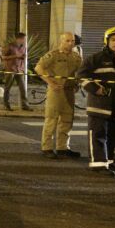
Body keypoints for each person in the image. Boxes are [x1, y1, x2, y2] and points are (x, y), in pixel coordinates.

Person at [77, 26, 115, 176]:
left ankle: (107, 162)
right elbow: (81, 76)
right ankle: (97, 164)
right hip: (99, 105)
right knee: (98, 134)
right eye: (113, 40)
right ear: (107, 41)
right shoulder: (96, 58)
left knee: (112, 136)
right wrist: (96, 89)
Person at [36, 31, 83, 159]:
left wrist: (77, 84)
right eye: (67, 40)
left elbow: (80, 72)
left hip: (69, 91)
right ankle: (47, 148)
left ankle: (63, 148)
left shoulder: (76, 57)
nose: (70, 43)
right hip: (56, 91)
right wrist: (50, 82)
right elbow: (39, 68)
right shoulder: (53, 55)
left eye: (72, 41)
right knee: (51, 119)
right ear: (61, 41)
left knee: (67, 120)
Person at [0, 32, 31, 111]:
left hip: (19, 70)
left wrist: (23, 60)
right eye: (24, 39)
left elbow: (23, 58)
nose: (25, 40)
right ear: (19, 39)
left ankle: (25, 105)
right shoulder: (10, 46)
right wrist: (15, 56)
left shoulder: (24, 47)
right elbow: (3, 57)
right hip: (10, 69)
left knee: (23, 88)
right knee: (7, 87)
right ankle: (6, 105)